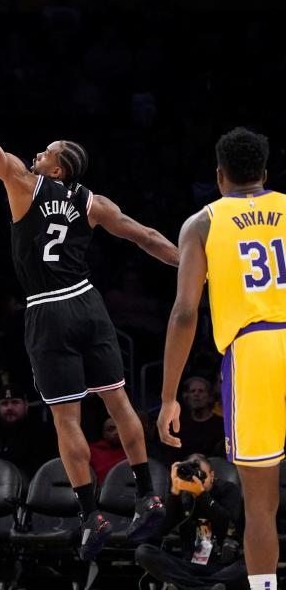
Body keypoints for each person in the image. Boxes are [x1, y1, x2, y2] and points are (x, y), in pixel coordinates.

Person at [0, 38, 177, 561]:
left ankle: (91, 513)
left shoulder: (23, 184)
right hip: (88, 303)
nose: (36, 153)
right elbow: (147, 237)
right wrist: (192, 267)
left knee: (67, 420)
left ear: (56, 168)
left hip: (48, 311)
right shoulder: (93, 202)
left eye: (46, 151)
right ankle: (149, 497)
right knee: (119, 401)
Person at [158, 127, 285, 590]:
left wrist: (170, 396)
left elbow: (186, 311)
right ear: (266, 174)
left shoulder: (203, 223)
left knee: (261, 505)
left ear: (219, 176)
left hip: (254, 353)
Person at [135, 455, 246, 590]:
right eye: (193, 475)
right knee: (143, 552)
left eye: (201, 475)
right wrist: (174, 493)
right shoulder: (183, 495)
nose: (196, 479)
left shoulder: (228, 490)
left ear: (212, 475)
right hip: (189, 564)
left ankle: (188, 585)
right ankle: (206, 587)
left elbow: (230, 524)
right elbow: (158, 531)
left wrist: (201, 494)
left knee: (248, 566)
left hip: (222, 565)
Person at [0, 384, 57, 482]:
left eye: (15, 402)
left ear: (26, 405)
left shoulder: (41, 433)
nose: (9, 408)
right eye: (4, 403)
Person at [168, 376, 226, 460]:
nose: (196, 394)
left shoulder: (221, 425)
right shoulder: (178, 425)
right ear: (187, 397)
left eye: (201, 391)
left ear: (210, 397)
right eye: (192, 391)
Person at [89, 416, 127, 486]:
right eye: (110, 429)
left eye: (119, 428)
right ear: (104, 434)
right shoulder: (92, 451)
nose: (116, 432)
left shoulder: (131, 449)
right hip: (102, 493)